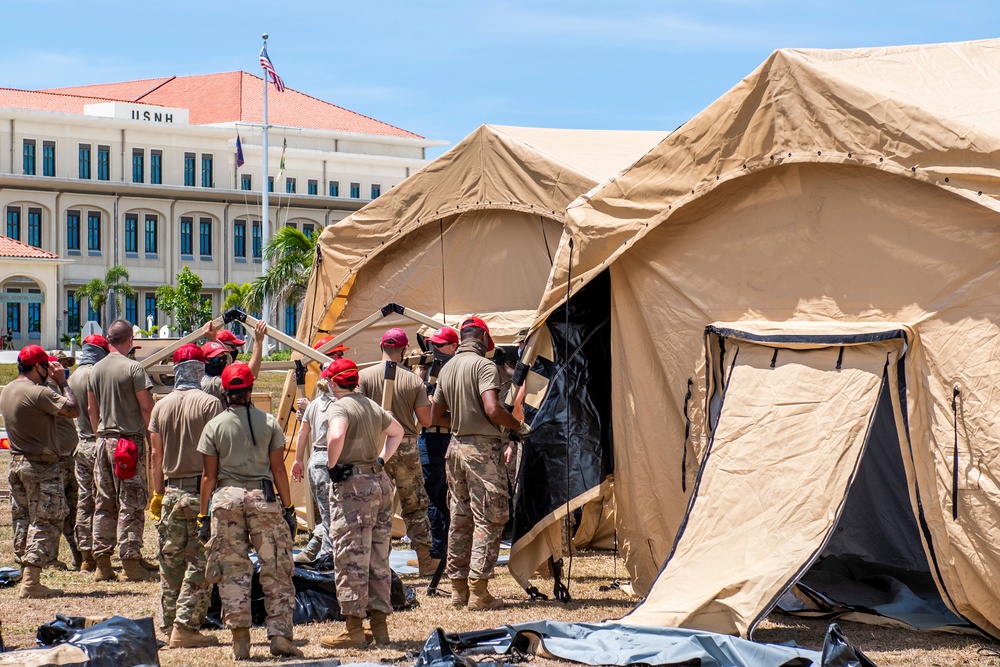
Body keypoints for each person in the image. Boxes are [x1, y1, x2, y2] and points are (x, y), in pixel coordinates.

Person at [198, 363, 302, 660]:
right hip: (263, 498)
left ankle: (241, 641)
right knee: (277, 569)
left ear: (224, 392)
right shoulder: (269, 422)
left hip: (226, 499)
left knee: (232, 570)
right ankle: (280, 636)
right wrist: (289, 507)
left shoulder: (214, 426)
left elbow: (208, 476)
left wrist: (204, 516)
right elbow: (278, 469)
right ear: (251, 390)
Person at [430, 317, 531, 610]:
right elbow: (493, 408)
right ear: (484, 338)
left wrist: (462, 422)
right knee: (490, 516)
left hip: (455, 449)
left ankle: (458, 590)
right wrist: (516, 427)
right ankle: (479, 591)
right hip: (482, 452)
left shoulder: (447, 368)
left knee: (460, 519)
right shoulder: (484, 366)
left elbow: (435, 416)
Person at [319, 358, 403, 649]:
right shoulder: (370, 404)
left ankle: (354, 629)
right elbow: (398, 432)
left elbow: (337, 434)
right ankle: (379, 627)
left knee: (350, 555)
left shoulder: (340, 407)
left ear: (333, 382)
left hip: (353, 486)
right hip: (378, 482)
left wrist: (332, 467)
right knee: (379, 556)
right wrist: (381, 459)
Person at [148, 344, 223, 648]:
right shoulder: (209, 404)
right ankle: (186, 627)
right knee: (200, 561)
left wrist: (157, 493)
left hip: (170, 492)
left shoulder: (160, 406)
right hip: (200, 491)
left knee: (170, 562)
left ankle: (168, 625)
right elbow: (217, 454)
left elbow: (155, 455)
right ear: (200, 369)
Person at [1, 345, 80, 598]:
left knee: (23, 519)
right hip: (41, 466)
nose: (50, 370)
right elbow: (73, 409)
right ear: (38, 367)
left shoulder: (9, 390)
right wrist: (62, 382)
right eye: (47, 366)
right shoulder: (37, 393)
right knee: (47, 520)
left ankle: (26, 571)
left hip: (17, 462)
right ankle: (31, 581)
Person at [358, 328, 436, 574]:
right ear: (403, 351)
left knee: (372, 507)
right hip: (405, 449)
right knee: (414, 506)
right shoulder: (414, 381)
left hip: (373, 447)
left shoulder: (363, 376)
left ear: (381, 347)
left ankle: (375, 565)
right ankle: (425, 560)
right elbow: (425, 420)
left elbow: (356, 412)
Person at [87, 319, 156, 582]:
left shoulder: (95, 369)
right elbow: (146, 408)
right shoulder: (134, 368)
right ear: (129, 339)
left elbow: (92, 410)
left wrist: (100, 436)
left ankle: (102, 564)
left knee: (104, 501)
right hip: (128, 442)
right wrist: (152, 439)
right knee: (132, 502)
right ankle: (130, 562)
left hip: (103, 440)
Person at [68, 334, 109, 572]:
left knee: (85, 500)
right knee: (103, 501)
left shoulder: (73, 377)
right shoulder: (97, 375)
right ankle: (102, 554)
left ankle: (85, 555)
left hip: (81, 444)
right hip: (98, 442)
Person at [419, 326, 459, 565]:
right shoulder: (429, 369)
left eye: (440, 345)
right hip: (431, 437)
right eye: (433, 344)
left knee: (445, 496)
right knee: (435, 496)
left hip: (445, 436)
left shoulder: (456, 370)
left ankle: (443, 548)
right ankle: (438, 548)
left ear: (453, 346)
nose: (435, 348)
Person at [290, 373, 337, 565]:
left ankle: (313, 552)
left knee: (326, 513)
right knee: (331, 516)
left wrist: (298, 460)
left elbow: (302, 433)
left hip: (315, 459)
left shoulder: (315, 404)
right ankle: (327, 558)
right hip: (330, 458)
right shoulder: (339, 406)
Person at [47, 349, 82, 570]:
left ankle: (78, 555)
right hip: (55, 459)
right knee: (53, 510)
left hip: (67, 458)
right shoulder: (46, 392)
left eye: (66, 365)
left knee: (72, 508)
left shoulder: (57, 389)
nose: (64, 369)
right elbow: (72, 410)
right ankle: (49, 557)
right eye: (59, 365)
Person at [201, 320, 266, 406]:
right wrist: (258, 341)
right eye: (233, 346)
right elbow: (250, 374)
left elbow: (249, 375)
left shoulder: (234, 364)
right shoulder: (207, 376)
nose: (235, 349)